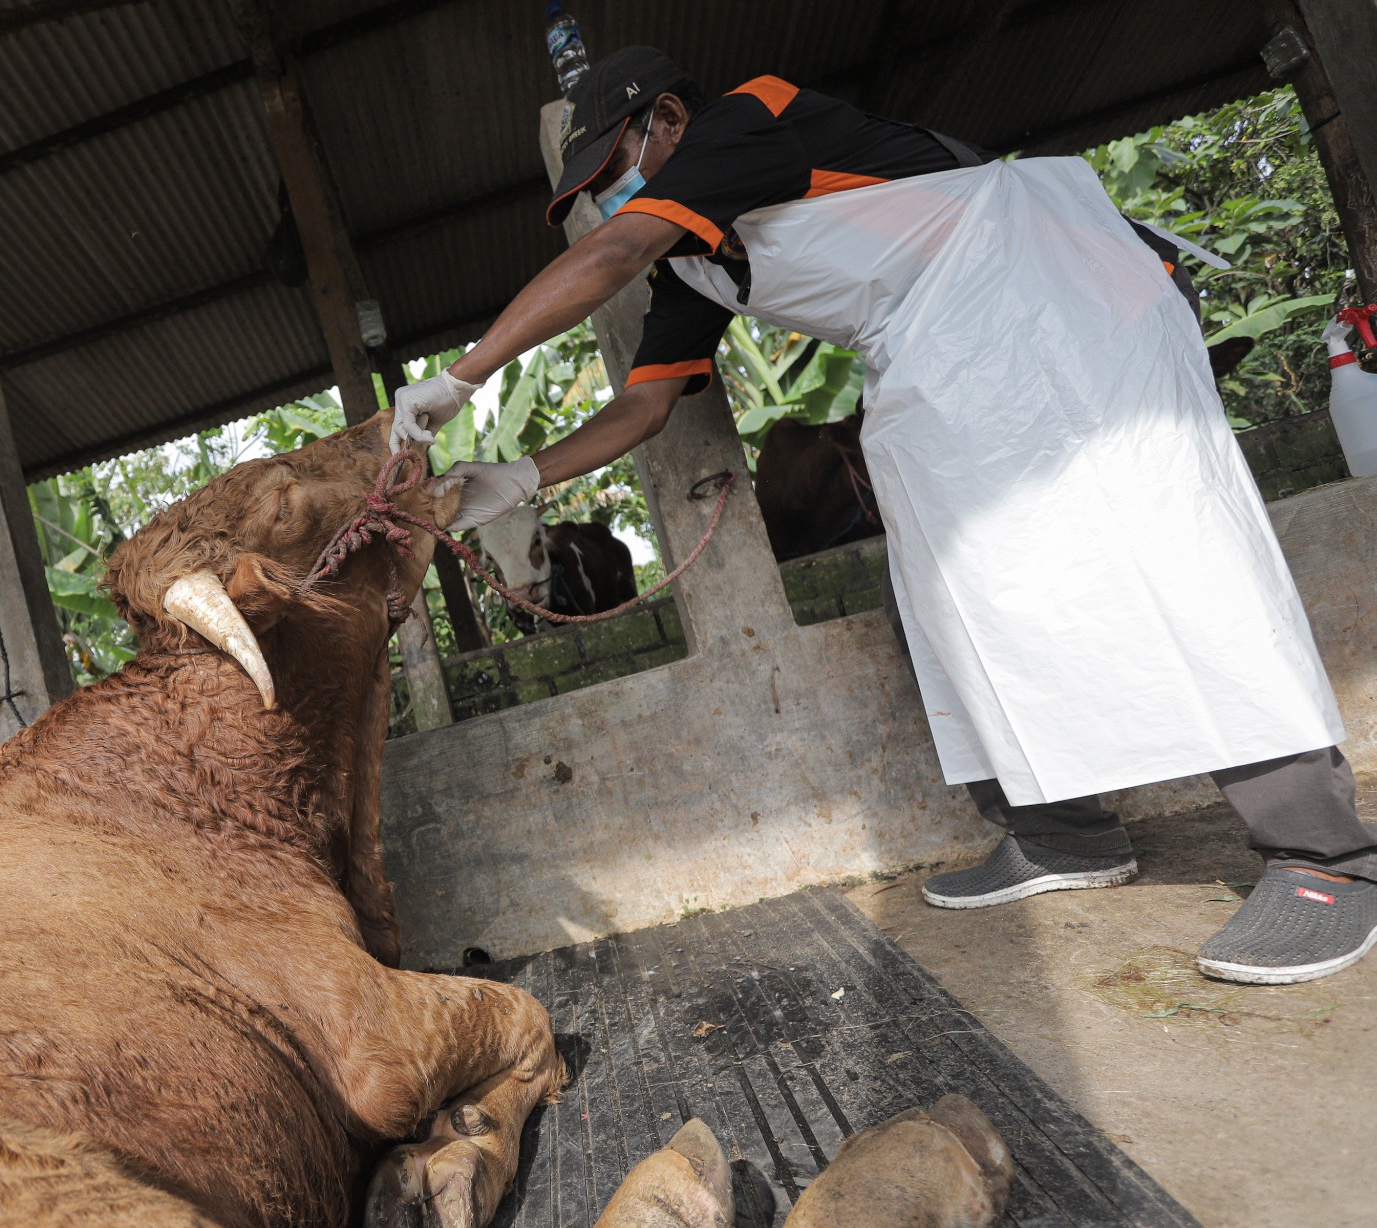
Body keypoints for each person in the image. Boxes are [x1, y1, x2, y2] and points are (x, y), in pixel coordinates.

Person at [395, 46, 1377, 986]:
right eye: (593, 188)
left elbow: (613, 248)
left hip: (1045, 302)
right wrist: (518, 475)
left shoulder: (745, 120)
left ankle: (1325, 853)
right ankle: (1060, 828)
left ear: (667, 119)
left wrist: (457, 376)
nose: (610, 196)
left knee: (1156, 553)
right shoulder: (695, 266)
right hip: (937, 349)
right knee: (937, 593)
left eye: (615, 165)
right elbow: (645, 404)